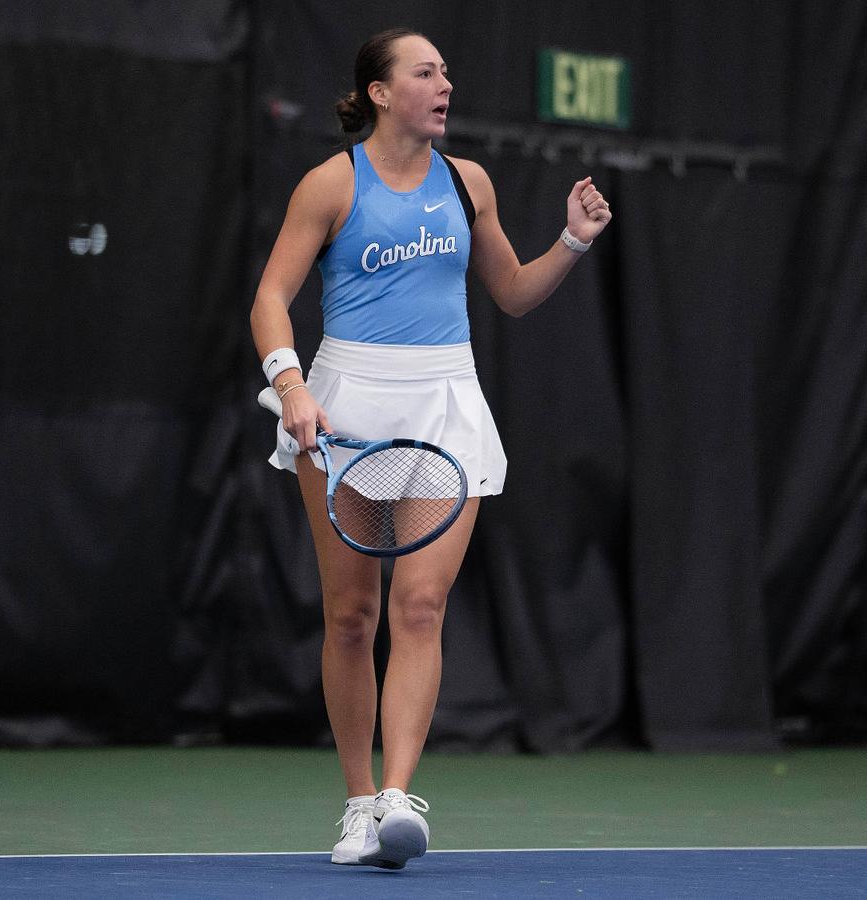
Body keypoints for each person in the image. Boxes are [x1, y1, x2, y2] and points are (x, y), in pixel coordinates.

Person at [248, 27, 611, 869]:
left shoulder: (467, 182)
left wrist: (573, 240)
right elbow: (271, 295)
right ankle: (355, 803)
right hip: (344, 402)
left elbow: (513, 293)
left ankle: (397, 801)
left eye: (446, 70)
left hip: (446, 402)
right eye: (425, 71)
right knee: (351, 617)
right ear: (380, 92)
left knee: (419, 608)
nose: (445, 82)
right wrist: (292, 384)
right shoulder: (331, 183)